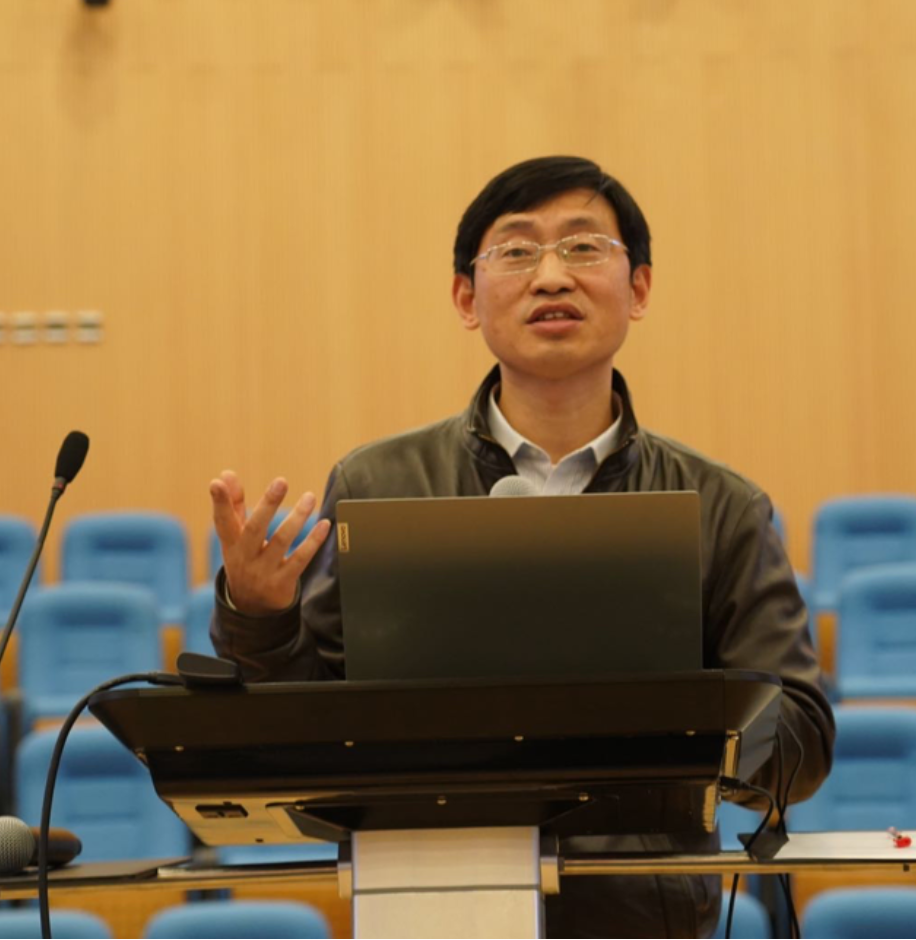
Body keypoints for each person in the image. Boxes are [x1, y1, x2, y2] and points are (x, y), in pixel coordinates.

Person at [209, 156, 834, 939]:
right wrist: (259, 617)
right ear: (466, 299)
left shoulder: (722, 507)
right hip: (428, 908)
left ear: (639, 289)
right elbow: (306, 739)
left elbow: (802, 751)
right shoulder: (377, 485)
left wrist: (678, 707)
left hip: (639, 917)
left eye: (584, 247)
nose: (551, 276)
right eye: (516, 250)